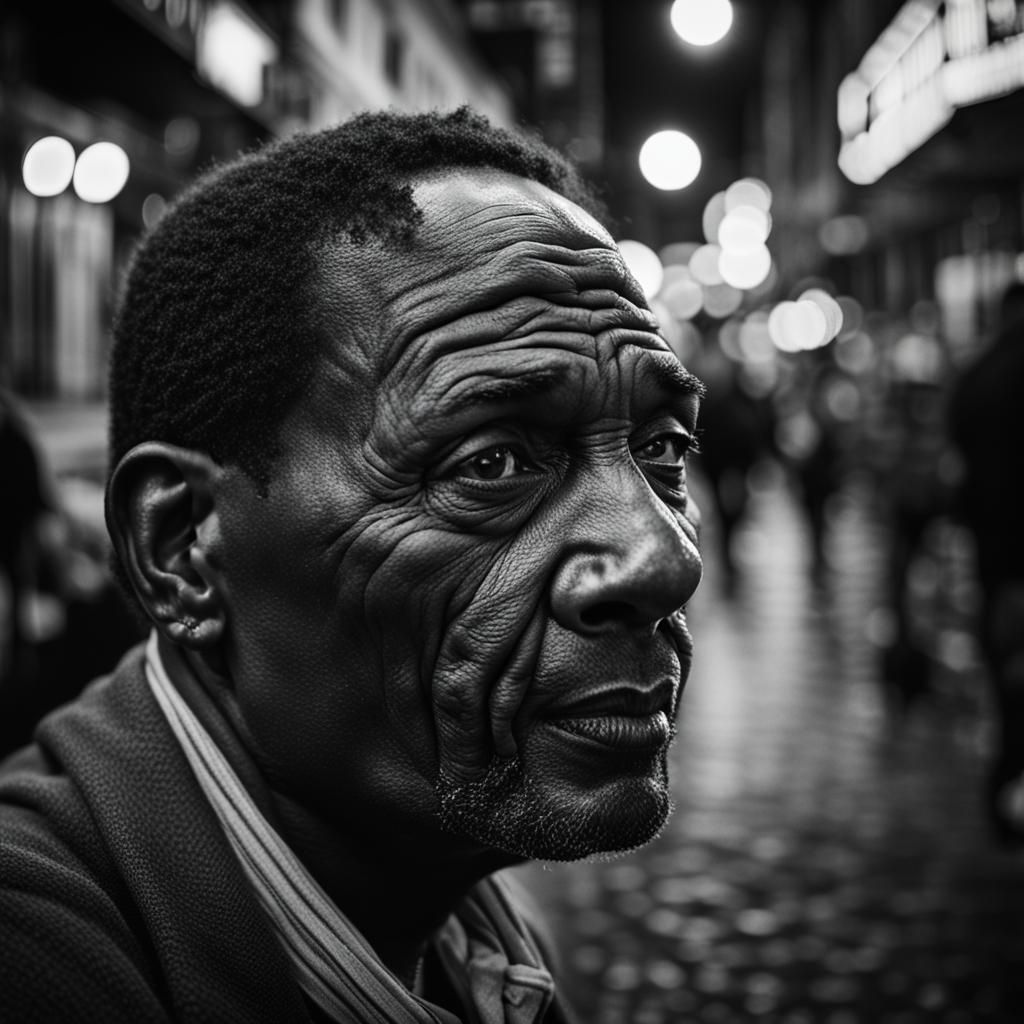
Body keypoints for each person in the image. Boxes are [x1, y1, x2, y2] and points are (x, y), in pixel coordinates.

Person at [0, 107, 704, 1022]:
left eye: (662, 451)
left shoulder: (471, 932)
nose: (663, 558)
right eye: (490, 463)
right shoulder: (37, 961)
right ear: (183, 550)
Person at [948, 281, 1024, 845]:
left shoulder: (978, 376)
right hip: (1004, 544)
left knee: (1008, 670)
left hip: (996, 551)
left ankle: (1008, 773)